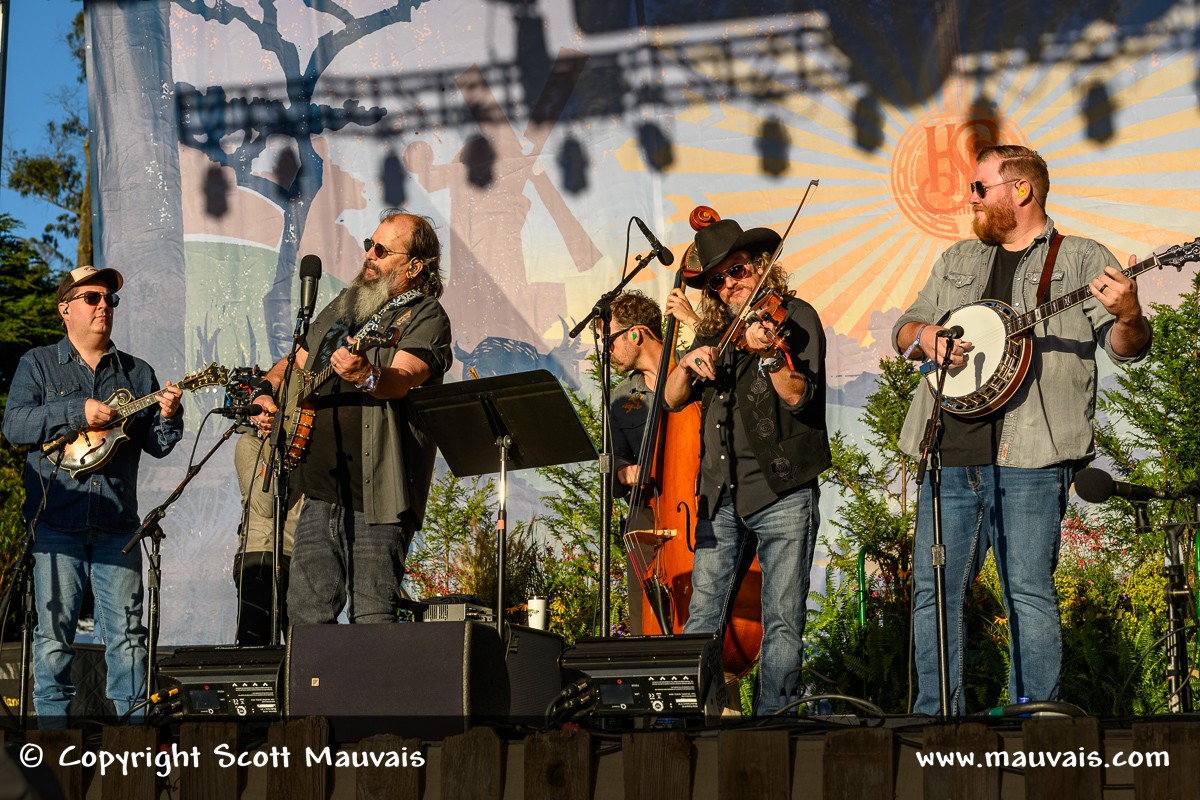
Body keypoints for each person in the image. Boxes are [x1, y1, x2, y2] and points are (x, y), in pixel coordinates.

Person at [892, 144, 1152, 715]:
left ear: (1022, 191)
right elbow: (905, 329)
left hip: (1032, 454)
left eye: (980, 188)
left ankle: (1035, 720)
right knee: (935, 595)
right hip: (948, 452)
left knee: (1027, 593)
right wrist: (926, 337)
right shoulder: (957, 258)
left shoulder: (1082, 259)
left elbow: (1125, 348)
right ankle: (937, 718)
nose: (970, 198)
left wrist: (1130, 314)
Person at [663, 219, 831, 716]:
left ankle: (772, 724)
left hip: (783, 490)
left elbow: (801, 398)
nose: (728, 284)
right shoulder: (715, 335)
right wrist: (687, 363)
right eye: (716, 280)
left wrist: (772, 357)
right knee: (703, 618)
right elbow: (672, 400)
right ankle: (693, 720)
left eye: (735, 271)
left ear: (760, 267)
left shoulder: (795, 318)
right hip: (721, 493)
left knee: (782, 618)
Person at [3, 265, 183, 727]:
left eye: (109, 299)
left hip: (117, 527)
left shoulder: (138, 373)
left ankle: (135, 745)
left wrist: (169, 416)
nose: (104, 305)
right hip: (56, 522)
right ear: (66, 308)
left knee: (127, 636)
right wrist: (75, 410)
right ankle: (52, 747)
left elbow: (158, 445)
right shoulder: (38, 364)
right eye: (92, 298)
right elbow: (15, 426)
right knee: (53, 637)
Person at [258, 210, 452, 625]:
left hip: (378, 497)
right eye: (370, 244)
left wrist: (366, 375)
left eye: (382, 250)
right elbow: (298, 360)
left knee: (373, 621)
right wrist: (268, 391)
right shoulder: (347, 303)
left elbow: (402, 378)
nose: (370, 255)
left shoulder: (425, 316)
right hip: (320, 490)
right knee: (307, 620)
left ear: (415, 266)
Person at [231, 427, 302, 645]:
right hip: (263, 551)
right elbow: (265, 504)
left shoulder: (309, 442)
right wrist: (275, 446)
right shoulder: (249, 444)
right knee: (256, 649)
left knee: (303, 653)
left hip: (303, 554)